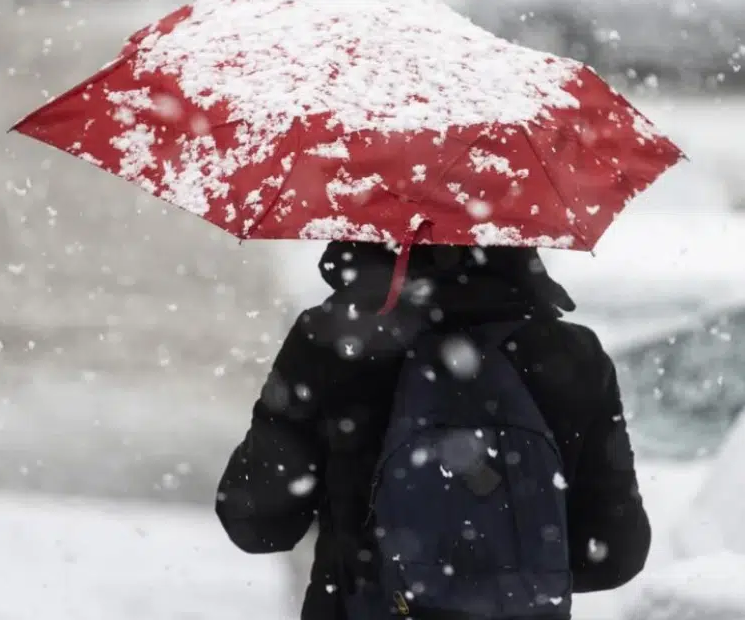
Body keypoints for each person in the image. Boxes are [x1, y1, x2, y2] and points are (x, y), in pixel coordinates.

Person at [215, 241, 652, 620]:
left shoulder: (333, 343)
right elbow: (614, 554)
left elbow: (256, 522)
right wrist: (498, 567)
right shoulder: (574, 355)